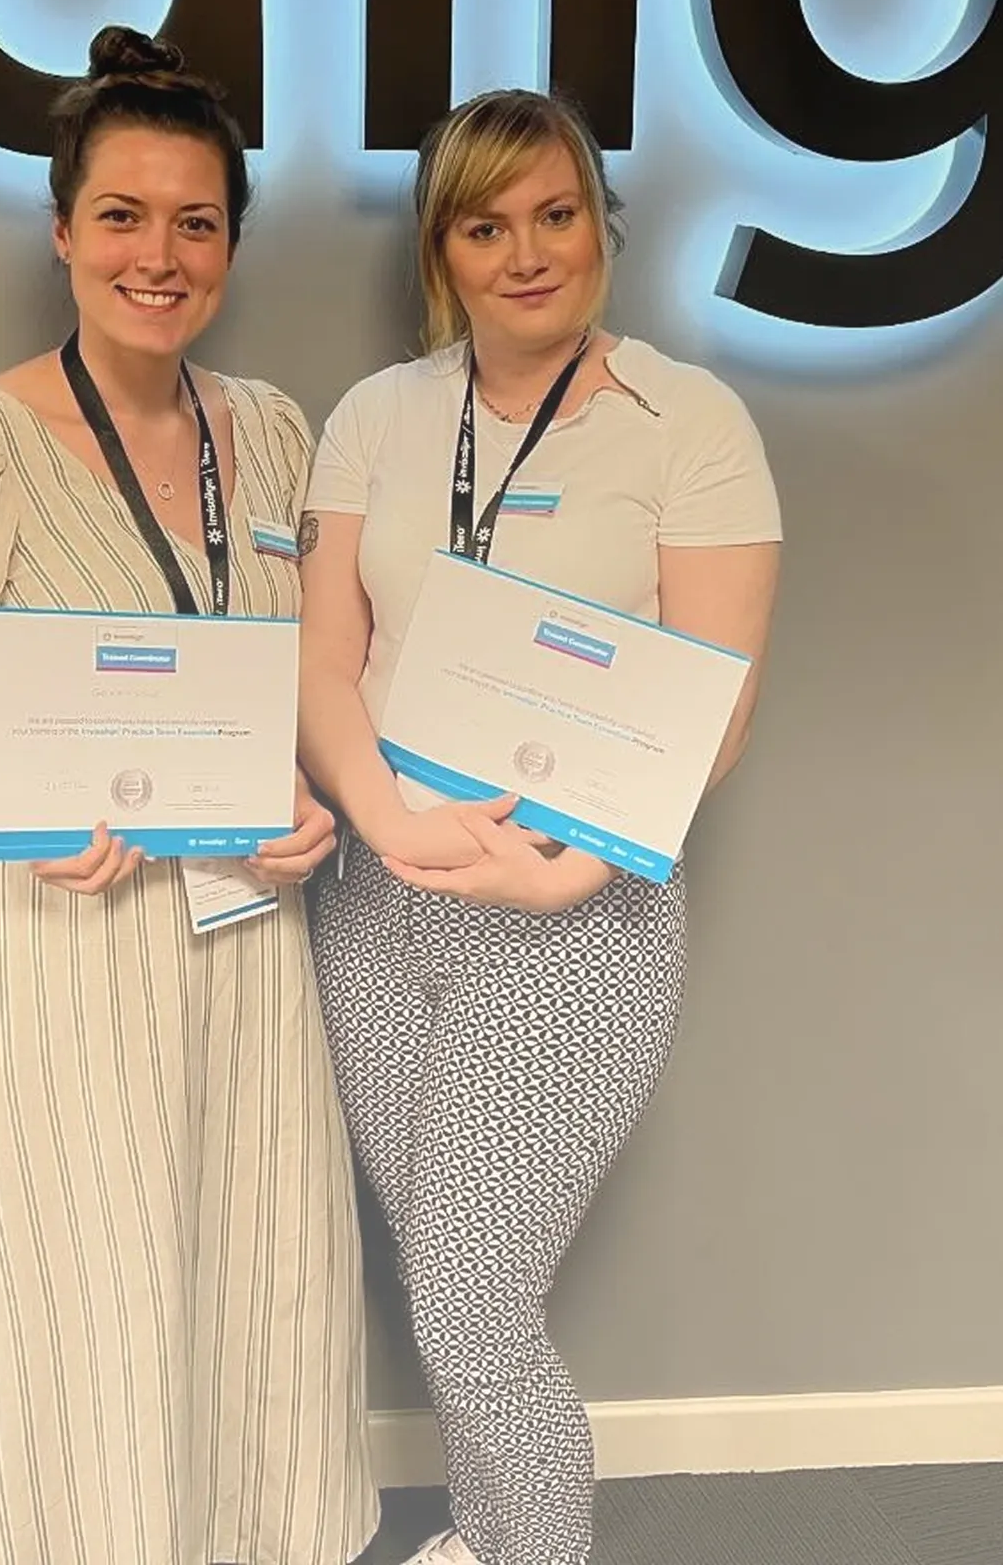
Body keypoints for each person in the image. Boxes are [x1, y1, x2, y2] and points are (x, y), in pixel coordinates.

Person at [0, 27, 378, 1565]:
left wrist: (311, 798)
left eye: (195, 223)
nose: (157, 257)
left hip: (246, 940)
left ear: (231, 244)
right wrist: (27, 790)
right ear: (62, 231)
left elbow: (298, 682)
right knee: (81, 1309)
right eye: (121, 216)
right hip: (60, 939)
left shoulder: (273, 436)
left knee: (252, 1279)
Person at [297, 87, 781, 1565]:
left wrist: (567, 873)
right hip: (380, 902)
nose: (526, 254)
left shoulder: (689, 424)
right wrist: (384, 820)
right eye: (484, 225)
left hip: (578, 912)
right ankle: (487, 1537)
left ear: (599, 226)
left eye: (555, 214)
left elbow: (713, 702)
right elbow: (323, 661)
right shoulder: (377, 417)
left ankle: (532, 1551)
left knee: (472, 1294)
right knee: (438, 1270)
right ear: (440, 250)